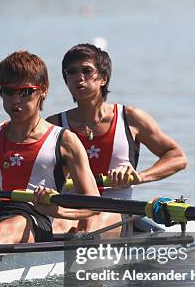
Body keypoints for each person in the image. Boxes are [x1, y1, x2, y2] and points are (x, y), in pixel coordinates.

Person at [0, 50, 100, 257]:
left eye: (25, 91)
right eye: (8, 91)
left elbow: (93, 204)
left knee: (8, 227)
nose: (16, 99)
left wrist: (57, 211)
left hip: (35, 220)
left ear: (43, 90)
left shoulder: (65, 141)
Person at [47, 43, 187, 233]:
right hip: (70, 210)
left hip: (117, 209)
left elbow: (177, 157)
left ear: (103, 78)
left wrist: (139, 177)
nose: (79, 77)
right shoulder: (54, 125)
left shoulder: (130, 118)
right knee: (56, 226)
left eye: (87, 71)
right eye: (71, 72)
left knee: (91, 223)